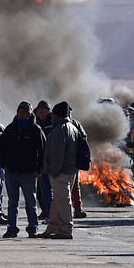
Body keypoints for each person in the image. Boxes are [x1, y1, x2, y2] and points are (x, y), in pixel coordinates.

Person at [0, 101, 46, 238]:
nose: (21, 114)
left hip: (28, 173)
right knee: (12, 202)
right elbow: (1, 147)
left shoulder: (36, 130)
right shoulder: (10, 129)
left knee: (30, 202)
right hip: (11, 172)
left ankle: (33, 228)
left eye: (24, 112)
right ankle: (11, 228)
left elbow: (43, 151)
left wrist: (38, 169)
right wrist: (4, 164)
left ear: (29, 113)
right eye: (19, 111)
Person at [38, 101, 79, 239]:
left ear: (55, 114)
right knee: (57, 200)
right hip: (70, 170)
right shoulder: (72, 127)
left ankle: (66, 229)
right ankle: (53, 227)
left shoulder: (60, 130)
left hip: (60, 172)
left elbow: (57, 154)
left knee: (62, 200)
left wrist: (54, 172)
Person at [34, 100, 54, 223]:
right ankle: (47, 213)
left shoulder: (53, 122)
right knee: (42, 189)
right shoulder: (35, 123)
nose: (40, 111)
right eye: (38, 109)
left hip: (53, 160)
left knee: (54, 190)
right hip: (40, 161)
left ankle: (53, 215)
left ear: (48, 110)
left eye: (43, 109)